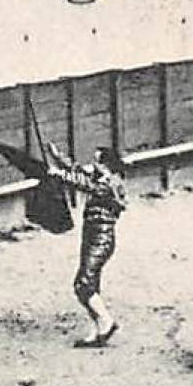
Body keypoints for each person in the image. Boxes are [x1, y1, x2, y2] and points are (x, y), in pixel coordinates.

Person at [44, 145, 127, 347]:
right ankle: (99, 329)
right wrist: (58, 157)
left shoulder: (109, 184)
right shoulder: (106, 179)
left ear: (105, 164)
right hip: (93, 236)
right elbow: (79, 171)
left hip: (100, 238)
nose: (93, 165)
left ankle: (106, 321)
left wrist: (59, 174)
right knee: (91, 284)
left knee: (82, 284)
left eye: (97, 161)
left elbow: (83, 184)